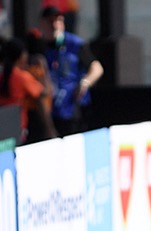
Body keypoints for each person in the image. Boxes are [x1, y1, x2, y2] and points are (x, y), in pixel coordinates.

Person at [32, 5, 99, 136]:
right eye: (50, 21)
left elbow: (96, 68)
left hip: (73, 108)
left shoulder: (75, 44)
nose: (55, 25)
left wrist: (85, 82)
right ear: (42, 24)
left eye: (59, 21)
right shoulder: (38, 46)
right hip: (49, 111)